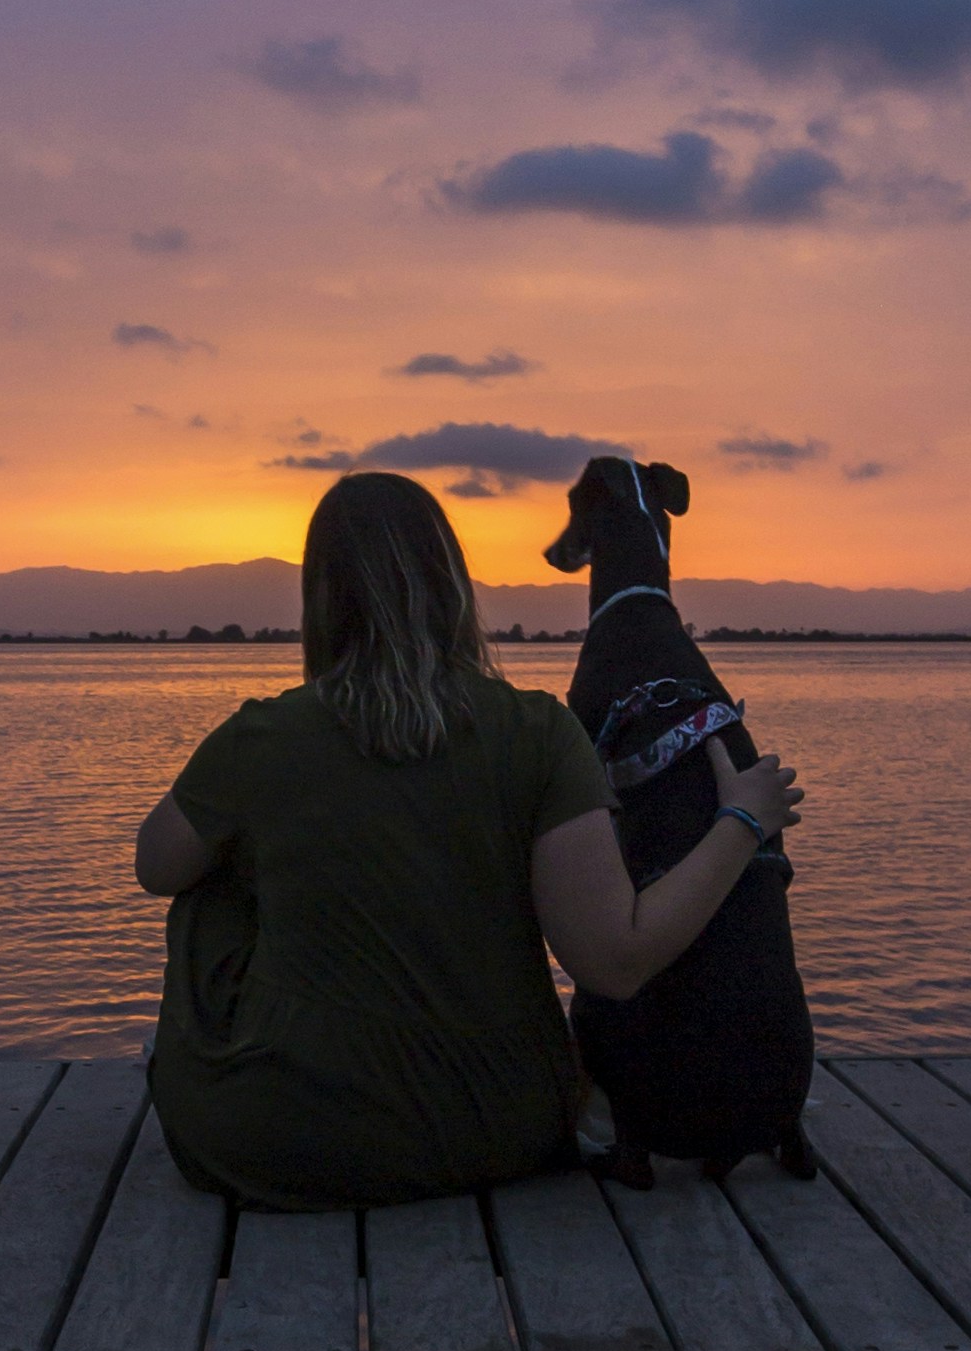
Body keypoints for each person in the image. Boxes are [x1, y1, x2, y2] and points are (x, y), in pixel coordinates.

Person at [134, 468, 803, 1210]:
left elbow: (154, 866)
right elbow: (618, 961)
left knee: (205, 887)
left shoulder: (261, 735)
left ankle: (229, 1064)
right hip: (503, 1130)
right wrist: (741, 821)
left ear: (320, 598)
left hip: (289, 1143)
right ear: (452, 585)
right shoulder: (540, 732)